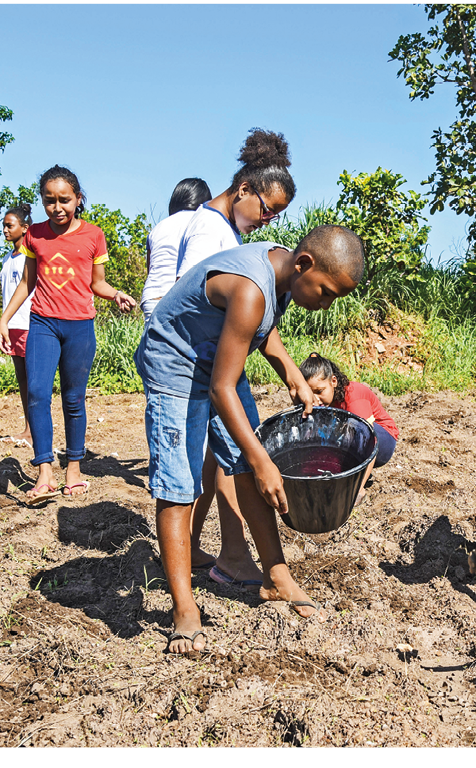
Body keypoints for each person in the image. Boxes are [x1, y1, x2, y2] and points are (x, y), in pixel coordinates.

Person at [134, 226, 365, 654]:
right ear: (304, 265)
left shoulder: (280, 273)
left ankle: (276, 577)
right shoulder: (252, 288)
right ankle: (184, 610)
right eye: (327, 292)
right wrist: (262, 461)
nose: (325, 304)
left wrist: (288, 368)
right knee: (180, 482)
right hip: (175, 361)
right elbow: (223, 387)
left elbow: (260, 328)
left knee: (244, 457)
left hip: (216, 356)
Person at [164, 131, 296, 587]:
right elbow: (194, 300)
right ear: (243, 190)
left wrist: (288, 367)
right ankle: (227, 557)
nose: (268, 220)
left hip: (218, 361)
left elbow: (250, 312)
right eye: (267, 209)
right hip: (193, 362)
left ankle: (233, 554)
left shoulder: (231, 233)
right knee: (219, 459)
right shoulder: (209, 231)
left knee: (231, 453)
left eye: (277, 215)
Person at [0, 165, 136, 503]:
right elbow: (29, 282)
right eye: (49, 201)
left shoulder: (93, 235)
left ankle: (73, 468)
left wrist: (115, 293)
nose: (57, 207)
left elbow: (97, 283)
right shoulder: (35, 235)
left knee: (73, 399)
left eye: (64, 200)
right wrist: (5, 318)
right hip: (42, 323)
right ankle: (44, 471)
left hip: (79, 326)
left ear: (78, 199)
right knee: (38, 395)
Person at [299, 352, 400, 498]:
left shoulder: (353, 398)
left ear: (333, 381)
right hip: (353, 437)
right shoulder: (323, 400)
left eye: (320, 391)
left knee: (357, 428)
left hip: (383, 442)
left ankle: (358, 480)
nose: (316, 399)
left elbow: (370, 442)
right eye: (310, 393)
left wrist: (357, 490)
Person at [139, 177, 212, 318]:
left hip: (152, 297)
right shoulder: (201, 222)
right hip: (182, 299)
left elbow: (151, 268)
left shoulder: (158, 227)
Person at [0, 202, 35, 448]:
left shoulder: (30, 257)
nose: (4, 230)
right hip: (12, 326)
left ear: (24, 228)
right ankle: (28, 428)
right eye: (3, 226)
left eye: (9, 226)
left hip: (29, 323)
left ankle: (35, 430)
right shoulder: (6, 258)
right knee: (22, 380)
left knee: (34, 381)